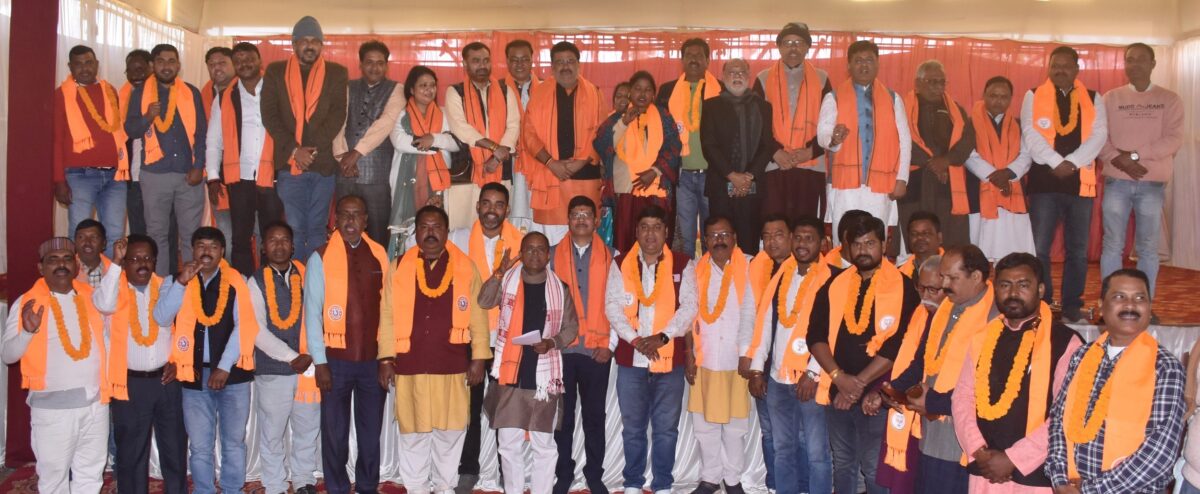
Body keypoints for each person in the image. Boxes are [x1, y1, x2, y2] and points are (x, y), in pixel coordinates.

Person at [153, 227, 298, 494]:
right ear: (192, 249)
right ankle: (204, 491)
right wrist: (182, 282)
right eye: (201, 246)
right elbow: (161, 318)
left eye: (213, 246)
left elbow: (245, 326)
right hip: (193, 377)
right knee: (200, 446)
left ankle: (232, 489)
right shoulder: (174, 281)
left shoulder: (237, 281)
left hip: (233, 376)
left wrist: (223, 367)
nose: (206, 251)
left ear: (222, 251)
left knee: (234, 443)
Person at [378, 205, 492, 494]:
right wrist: (386, 358)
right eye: (424, 227)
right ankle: (416, 488)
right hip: (410, 364)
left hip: (452, 366)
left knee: (449, 433)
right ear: (416, 232)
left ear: (446, 231)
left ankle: (444, 487)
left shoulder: (466, 267)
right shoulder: (399, 267)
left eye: (437, 227)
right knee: (413, 434)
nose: (430, 233)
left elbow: (479, 316)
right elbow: (387, 314)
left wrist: (479, 357)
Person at [949, 253, 1083, 493]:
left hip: (1036, 475)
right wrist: (978, 450)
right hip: (985, 470)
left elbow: (1067, 414)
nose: (1012, 293)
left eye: (1023, 285)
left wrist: (1014, 458)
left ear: (1040, 289)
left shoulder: (1066, 343)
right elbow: (962, 397)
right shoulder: (982, 338)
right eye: (1005, 285)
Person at [807, 213, 920, 494]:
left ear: (884, 244)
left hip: (878, 395)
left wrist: (857, 384)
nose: (863, 250)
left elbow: (901, 343)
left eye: (870, 243)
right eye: (857, 244)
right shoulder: (834, 284)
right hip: (838, 390)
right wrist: (839, 378)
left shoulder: (904, 286)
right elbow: (815, 335)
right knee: (843, 463)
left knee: (873, 468)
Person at [1045, 269, 1185, 492]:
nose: (1130, 305)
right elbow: (1059, 421)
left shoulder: (1165, 367)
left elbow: (1160, 453)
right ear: (1101, 306)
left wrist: (1090, 490)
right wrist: (1060, 480)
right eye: (1120, 297)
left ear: (1149, 307)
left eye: (1140, 298)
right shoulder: (1082, 357)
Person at [887, 245, 996, 494]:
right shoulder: (945, 308)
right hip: (932, 432)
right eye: (943, 277)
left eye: (952, 278)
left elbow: (987, 387)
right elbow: (922, 361)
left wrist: (934, 402)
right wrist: (893, 390)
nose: (944, 285)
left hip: (964, 438)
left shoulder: (995, 317)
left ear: (976, 277)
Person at [4, 238, 110, 492]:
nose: (61, 265)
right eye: (53, 260)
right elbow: (7, 355)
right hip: (53, 410)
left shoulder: (93, 297)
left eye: (67, 259)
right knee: (54, 480)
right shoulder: (27, 303)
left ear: (76, 265)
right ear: (41, 268)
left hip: (95, 404)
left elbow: (107, 342)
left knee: (91, 475)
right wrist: (27, 332)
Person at [605, 204, 698, 494]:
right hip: (631, 360)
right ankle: (633, 482)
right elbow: (612, 307)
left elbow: (689, 307)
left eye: (657, 227)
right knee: (632, 428)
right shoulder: (620, 264)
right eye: (644, 227)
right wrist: (636, 340)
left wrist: (663, 337)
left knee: (666, 429)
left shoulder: (683, 263)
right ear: (636, 231)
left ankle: (662, 484)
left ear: (666, 232)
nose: (650, 234)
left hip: (669, 361)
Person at [479, 232, 579, 494]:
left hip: (543, 378)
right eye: (529, 249)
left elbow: (571, 328)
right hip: (511, 374)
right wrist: (498, 273)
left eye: (540, 249)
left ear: (548, 255)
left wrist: (552, 342)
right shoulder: (507, 281)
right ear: (521, 254)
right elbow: (484, 301)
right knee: (508, 443)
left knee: (544, 446)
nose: (535, 254)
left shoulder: (560, 288)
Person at [303, 195, 389, 494]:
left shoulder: (379, 254)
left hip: (372, 361)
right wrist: (320, 362)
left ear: (366, 220)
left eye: (356, 215)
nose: (350, 221)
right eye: (344, 215)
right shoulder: (320, 257)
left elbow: (388, 310)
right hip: (335, 362)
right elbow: (312, 313)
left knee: (370, 434)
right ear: (335, 219)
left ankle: (367, 486)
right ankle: (337, 487)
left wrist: (386, 358)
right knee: (335, 434)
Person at [744, 215, 836, 494]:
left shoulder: (832, 279)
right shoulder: (781, 275)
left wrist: (812, 373)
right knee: (782, 448)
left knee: (816, 452)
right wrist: (757, 370)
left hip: (810, 380)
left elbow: (831, 334)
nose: (802, 243)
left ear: (822, 243)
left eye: (809, 238)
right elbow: (765, 325)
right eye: (798, 237)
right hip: (777, 378)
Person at [94, 234, 188, 494]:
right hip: (130, 385)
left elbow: (185, 330)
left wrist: (177, 361)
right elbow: (103, 305)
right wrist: (115, 263)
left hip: (167, 381)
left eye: (147, 258)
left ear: (155, 261)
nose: (142, 263)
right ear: (125, 263)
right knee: (131, 455)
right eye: (134, 259)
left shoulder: (167, 287)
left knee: (175, 450)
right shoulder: (113, 289)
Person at [1020, 46, 1107, 324]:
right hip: (1044, 183)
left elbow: (1099, 135)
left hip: (1079, 184)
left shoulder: (1093, 98)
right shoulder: (1033, 95)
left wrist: (1072, 163)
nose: (1060, 70)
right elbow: (1030, 133)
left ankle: (1071, 306)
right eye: (1055, 65)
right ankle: (1042, 304)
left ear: (1076, 69)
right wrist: (1056, 162)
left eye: (1066, 66)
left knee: (1078, 251)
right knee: (1040, 248)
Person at [445, 182, 524, 492]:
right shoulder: (458, 239)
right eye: (487, 203)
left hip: (507, 337)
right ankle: (468, 469)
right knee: (470, 407)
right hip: (469, 336)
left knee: (506, 408)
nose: (492, 210)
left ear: (508, 209)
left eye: (499, 204)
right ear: (477, 206)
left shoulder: (521, 243)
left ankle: (508, 470)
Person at [1099, 43, 1184, 301]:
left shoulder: (1169, 99)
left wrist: (1135, 155)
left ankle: (1144, 304)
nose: (1134, 64)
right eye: (1130, 60)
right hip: (1116, 181)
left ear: (1153, 64)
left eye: (1140, 59)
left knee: (1148, 247)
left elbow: (1173, 139)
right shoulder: (1110, 98)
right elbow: (1099, 138)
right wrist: (1120, 160)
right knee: (1112, 244)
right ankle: (1110, 303)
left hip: (1152, 184)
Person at [262, 16, 350, 260]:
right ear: (294, 44)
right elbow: (269, 115)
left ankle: (315, 280)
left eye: (315, 41)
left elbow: (337, 115)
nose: (310, 46)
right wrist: (295, 151)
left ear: (322, 45)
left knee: (317, 228)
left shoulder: (336, 73)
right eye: (304, 40)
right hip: (290, 165)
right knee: (295, 228)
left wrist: (309, 152)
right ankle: (298, 277)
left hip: (323, 165)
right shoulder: (275, 71)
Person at [245, 221, 320, 494]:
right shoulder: (255, 281)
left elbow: (317, 315)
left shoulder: (307, 274)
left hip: (308, 370)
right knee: (272, 433)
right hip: (273, 370)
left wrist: (309, 357)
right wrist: (292, 357)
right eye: (273, 240)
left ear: (293, 245)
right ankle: (275, 485)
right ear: (263, 248)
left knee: (307, 428)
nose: (279, 245)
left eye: (285, 240)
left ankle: (303, 480)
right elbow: (256, 330)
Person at [550, 195, 616, 494]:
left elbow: (620, 306)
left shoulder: (612, 257)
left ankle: (594, 474)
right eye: (575, 214)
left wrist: (610, 345)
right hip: (561, 351)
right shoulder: (551, 256)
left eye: (586, 214)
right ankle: (563, 473)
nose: (580, 219)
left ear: (596, 220)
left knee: (594, 417)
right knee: (562, 418)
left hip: (596, 352)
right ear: (567, 220)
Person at [685, 215, 755, 494]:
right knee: (705, 425)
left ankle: (733, 480)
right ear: (705, 240)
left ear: (735, 237)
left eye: (724, 234)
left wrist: (748, 354)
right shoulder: (695, 269)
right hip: (705, 358)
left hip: (737, 359)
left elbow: (754, 312)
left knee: (736, 425)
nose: (719, 240)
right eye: (713, 236)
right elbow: (688, 313)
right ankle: (710, 478)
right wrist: (688, 354)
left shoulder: (750, 265)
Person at [124, 43, 207, 276]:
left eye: (172, 61)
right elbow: (131, 130)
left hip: (188, 174)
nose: (166, 66)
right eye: (161, 61)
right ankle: (160, 287)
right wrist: (147, 117)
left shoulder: (191, 92)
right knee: (156, 234)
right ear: (153, 65)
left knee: (191, 236)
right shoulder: (140, 93)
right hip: (154, 175)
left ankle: (192, 287)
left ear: (178, 65)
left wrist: (198, 166)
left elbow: (202, 133)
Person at [818, 40, 911, 245]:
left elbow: (904, 141)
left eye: (869, 60)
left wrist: (902, 179)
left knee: (875, 239)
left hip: (881, 184)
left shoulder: (893, 98)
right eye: (858, 60)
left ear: (878, 64)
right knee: (845, 238)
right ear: (848, 66)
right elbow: (822, 134)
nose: (864, 65)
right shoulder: (833, 97)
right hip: (845, 184)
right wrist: (833, 139)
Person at [205, 42, 285, 274]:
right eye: (238, 61)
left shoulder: (277, 90)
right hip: (239, 178)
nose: (244, 64)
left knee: (271, 236)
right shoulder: (224, 98)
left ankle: (270, 282)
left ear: (260, 60)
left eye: (249, 58)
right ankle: (243, 285)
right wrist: (213, 177)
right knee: (240, 238)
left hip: (273, 176)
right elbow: (214, 140)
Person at [871, 254, 945, 494]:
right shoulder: (920, 313)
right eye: (921, 288)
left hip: (938, 414)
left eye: (933, 290)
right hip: (912, 402)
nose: (925, 296)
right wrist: (890, 390)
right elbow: (914, 361)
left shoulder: (956, 319)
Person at [521, 41, 605, 244]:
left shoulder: (595, 93)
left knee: (585, 238)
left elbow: (601, 132)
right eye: (560, 62)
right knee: (552, 242)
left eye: (570, 61)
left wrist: (581, 161)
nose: (565, 66)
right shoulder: (538, 95)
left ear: (579, 65)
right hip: (550, 177)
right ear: (552, 67)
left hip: (586, 178)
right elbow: (528, 135)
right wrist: (551, 163)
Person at [738, 214, 799, 493]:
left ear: (791, 237)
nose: (772, 241)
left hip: (794, 362)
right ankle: (774, 485)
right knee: (769, 429)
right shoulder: (758, 265)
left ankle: (801, 486)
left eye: (778, 234)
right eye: (767, 236)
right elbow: (749, 312)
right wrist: (746, 355)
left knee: (798, 434)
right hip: (763, 361)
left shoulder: (804, 268)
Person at [754, 22, 834, 224]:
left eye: (799, 43)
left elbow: (830, 121)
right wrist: (775, 151)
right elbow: (756, 124)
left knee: (806, 227)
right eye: (788, 43)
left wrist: (811, 151)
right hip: (774, 164)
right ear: (779, 47)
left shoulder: (822, 78)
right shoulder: (763, 78)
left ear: (807, 47)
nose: (793, 48)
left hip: (811, 165)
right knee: (774, 225)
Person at [595, 71, 682, 254]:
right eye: (637, 89)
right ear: (630, 92)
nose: (642, 94)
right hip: (626, 190)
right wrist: (624, 123)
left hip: (656, 188)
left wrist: (655, 171)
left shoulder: (664, 117)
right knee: (625, 242)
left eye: (647, 90)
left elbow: (674, 146)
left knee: (656, 241)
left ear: (654, 94)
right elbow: (602, 144)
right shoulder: (618, 117)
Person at [54, 45, 129, 256]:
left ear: (96, 64)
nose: (84, 68)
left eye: (88, 63)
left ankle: (111, 277)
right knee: (79, 234)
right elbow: (57, 140)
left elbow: (116, 131)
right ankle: (80, 277)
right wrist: (59, 180)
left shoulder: (109, 90)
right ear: (70, 67)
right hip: (79, 175)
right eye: (78, 64)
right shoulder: (62, 94)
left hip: (115, 175)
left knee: (115, 234)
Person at [333, 40, 406, 244]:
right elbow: (337, 121)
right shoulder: (347, 87)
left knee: (377, 233)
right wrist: (342, 157)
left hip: (377, 175)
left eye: (380, 63)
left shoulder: (397, 89)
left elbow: (385, 123)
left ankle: (379, 266)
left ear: (387, 65)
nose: (375, 68)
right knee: (344, 232)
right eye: (370, 62)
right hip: (345, 173)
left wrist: (355, 154)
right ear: (360, 64)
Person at [701, 58, 776, 255]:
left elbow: (767, 145)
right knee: (720, 241)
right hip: (720, 185)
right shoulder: (711, 106)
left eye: (741, 72)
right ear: (723, 76)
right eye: (732, 73)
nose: (737, 76)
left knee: (749, 242)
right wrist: (732, 175)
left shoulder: (763, 107)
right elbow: (708, 145)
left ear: (749, 76)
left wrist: (748, 177)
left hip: (752, 185)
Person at [446, 42, 522, 233]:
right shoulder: (455, 91)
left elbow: (514, 125)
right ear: (465, 64)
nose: (482, 65)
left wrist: (497, 157)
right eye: (476, 61)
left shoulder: (505, 90)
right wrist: (495, 148)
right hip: (466, 172)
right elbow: (460, 128)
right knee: (461, 228)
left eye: (486, 60)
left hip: (500, 170)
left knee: (498, 228)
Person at [899, 60, 976, 249]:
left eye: (942, 82)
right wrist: (932, 163)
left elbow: (967, 140)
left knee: (949, 237)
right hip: (915, 180)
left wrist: (946, 161)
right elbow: (899, 139)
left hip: (947, 182)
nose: (938, 87)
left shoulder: (956, 110)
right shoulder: (902, 107)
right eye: (932, 82)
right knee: (914, 233)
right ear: (918, 83)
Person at [657, 38, 720, 258]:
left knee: (712, 233)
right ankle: (686, 276)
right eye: (689, 55)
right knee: (684, 237)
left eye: (699, 55)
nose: (694, 59)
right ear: (682, 60)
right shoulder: (667, 91)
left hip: (712, 174)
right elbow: (659, 131)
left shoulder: (720, 90)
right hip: (681, 174)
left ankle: (711, 275)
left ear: (707, 60)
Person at [388, 66, 461, 254]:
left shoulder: (443, 114)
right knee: (408, 229)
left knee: (434, 224)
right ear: (412, 89)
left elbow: (455, 143)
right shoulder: (401, 114)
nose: (429, 90)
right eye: (423, 85)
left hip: (436, 182)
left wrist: (433, 139)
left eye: (432, 85)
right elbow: (399, 142)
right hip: (407, 182)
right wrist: (434, 146)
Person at [964, 76, 1036, 261]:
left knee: (1012, 252)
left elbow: (1027, 154)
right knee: (978, 253)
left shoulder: (1020, 125)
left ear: (1011, 99)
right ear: (984, 95)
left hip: (1011, 190)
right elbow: (967, 154)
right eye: (993, 95)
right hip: (979, 190)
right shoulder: (969, 123)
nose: (998, 101)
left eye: (1004, 97)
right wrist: (993, 175)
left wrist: (1008, 173)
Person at [896, 211, 943, 277]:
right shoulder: (898, 274)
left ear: (939, 237)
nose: (919, 237)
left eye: (926, 233)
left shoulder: (952, 268)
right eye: (914, 234)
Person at [74, 219, 111, 287]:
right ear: (75, 243)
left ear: (104, 244)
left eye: (94, 237)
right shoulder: (66, 270)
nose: (87, 242)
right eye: (81, 237)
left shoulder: (114, 271)